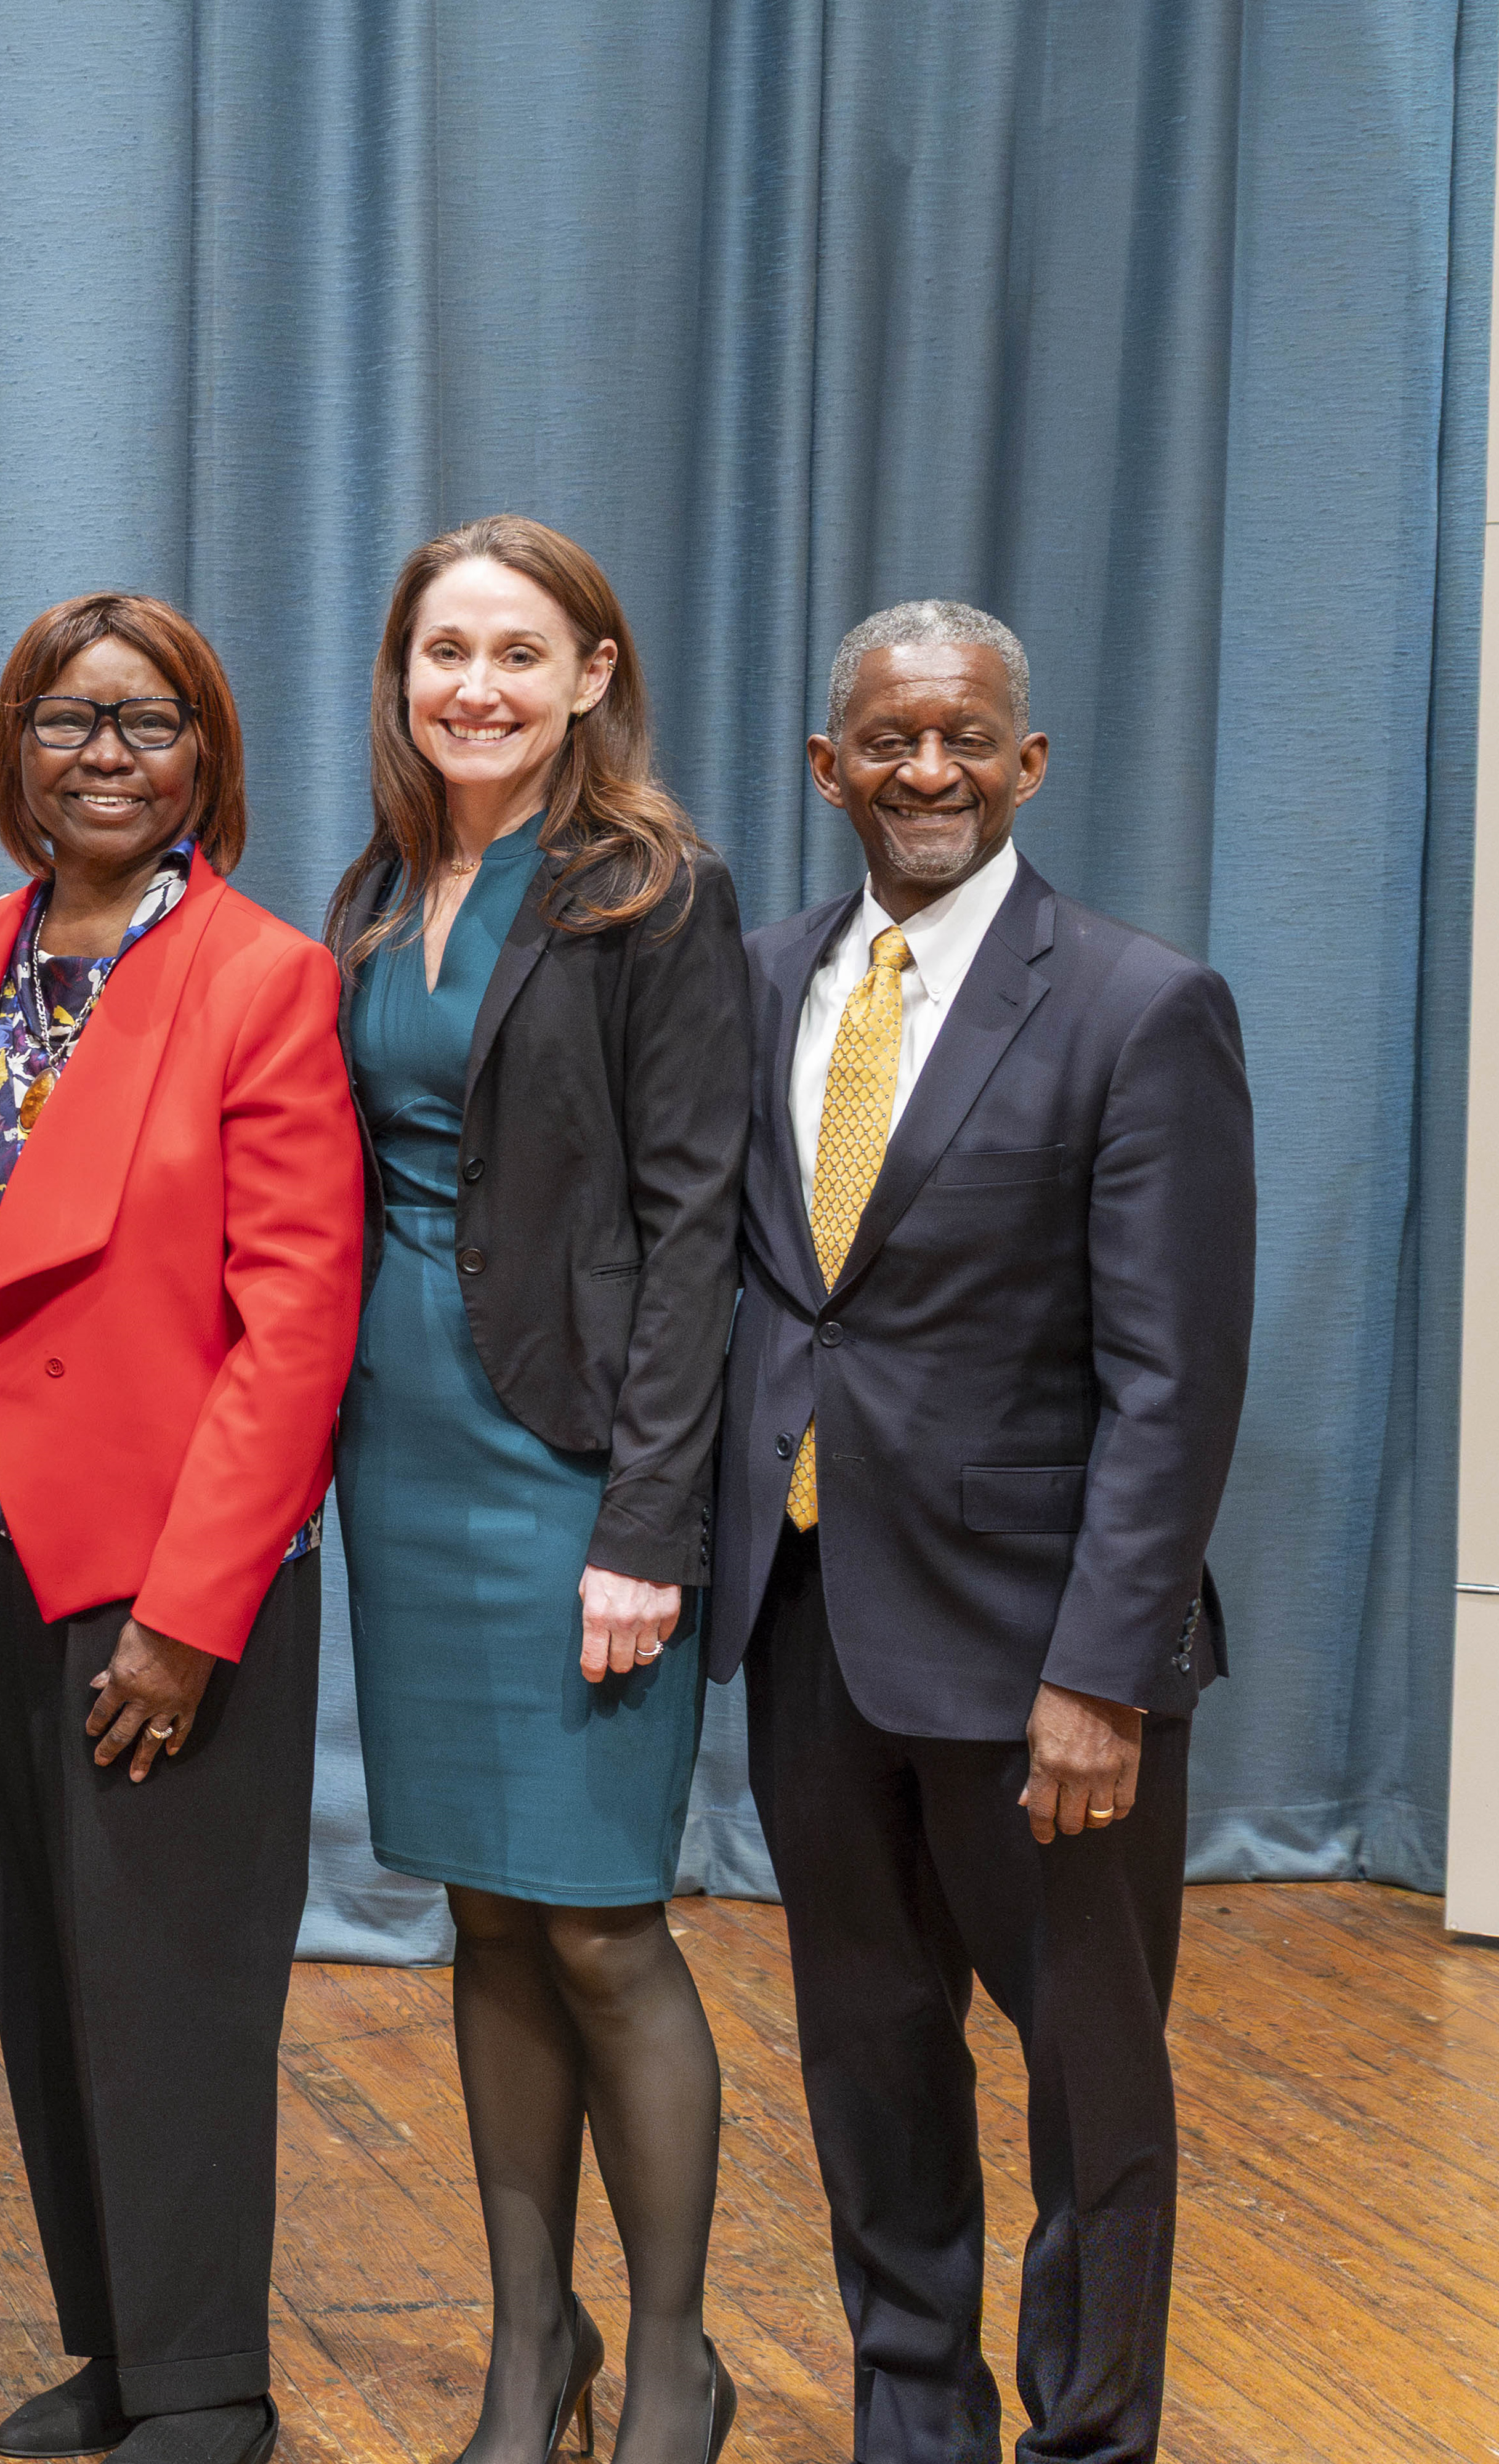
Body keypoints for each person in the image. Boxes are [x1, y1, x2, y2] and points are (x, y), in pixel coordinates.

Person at [711, 602, 1251, 2464]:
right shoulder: (761, 978)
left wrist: (1105, 1675)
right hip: (809, 1625)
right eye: (886, 738)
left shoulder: (1137, 1004)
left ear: (1026, 765)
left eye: (963, 739)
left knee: (1091, 2081)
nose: (923, 770)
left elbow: (1174, 1383)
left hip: (1049, 1663)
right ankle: (913, 2411)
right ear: (825, 766)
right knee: (869, 2056)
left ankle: (1091, 2439)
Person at [0, 594, 363, 2464]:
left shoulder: (259, 975)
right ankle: (117, 2346)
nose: (102, 753)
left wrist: (190, 1614)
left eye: (146, 724)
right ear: (14, 753)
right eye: (65, 720)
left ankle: (207, 2385)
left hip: (172, 1578)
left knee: (172, 1990)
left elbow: (297, 1321)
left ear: (207, 760)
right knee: (50, 1972)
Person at [322, 517, 748, 2464]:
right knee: (483, 1922)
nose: (471, 686)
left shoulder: (649, 891)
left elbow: (695, 1230)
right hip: (398, 1464)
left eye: (515, 650)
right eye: (439, 652)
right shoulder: (374, 887)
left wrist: (647, 1527)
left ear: (592, 674)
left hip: (576, 1465)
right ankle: (529, 2352)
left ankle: (672, 2363)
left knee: (600, 1925)